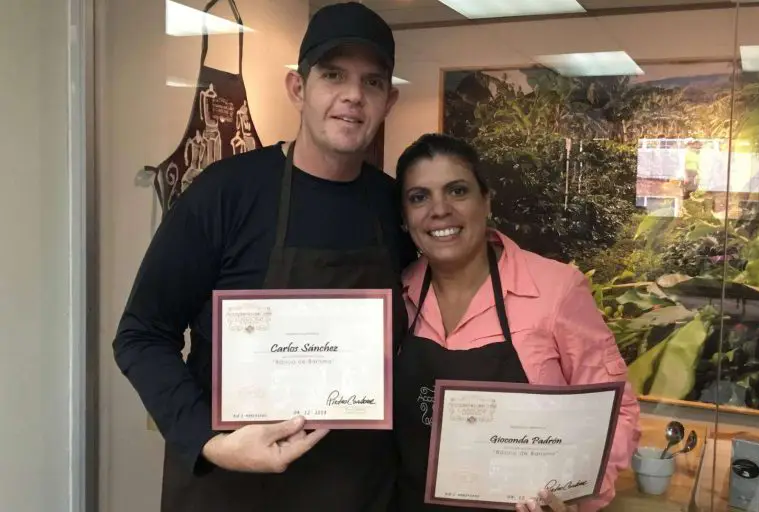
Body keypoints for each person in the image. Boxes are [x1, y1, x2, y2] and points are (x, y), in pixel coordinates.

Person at [112, 3, 415, 511]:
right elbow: (141, 333)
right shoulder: (225, 194)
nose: (353, 96)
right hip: (231, 488)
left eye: (372, 82)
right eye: (333, 75)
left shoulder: (395, 206)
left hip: (357, 489)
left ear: (390, 101)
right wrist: (209, 440)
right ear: (298, 88)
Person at [391, 134, 641, 512]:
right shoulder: (400, 291)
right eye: (419, 197)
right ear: (405, 217)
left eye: (457, 191)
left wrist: (576, 496)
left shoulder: (555, 290)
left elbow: (616, 410)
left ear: (486, 200)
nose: (439, 210)